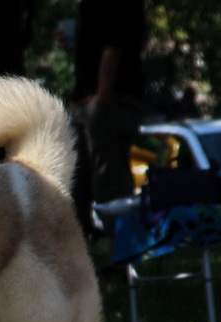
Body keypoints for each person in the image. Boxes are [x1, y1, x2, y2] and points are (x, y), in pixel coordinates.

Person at [68, 0, 146, 234]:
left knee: (111, 182)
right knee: (77, 180)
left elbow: (114, 49)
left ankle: (122, 253)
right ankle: (80, 246)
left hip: (110, 101)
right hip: (85, 100)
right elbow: (95, 51)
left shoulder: (118, 6)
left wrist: (102, 102)